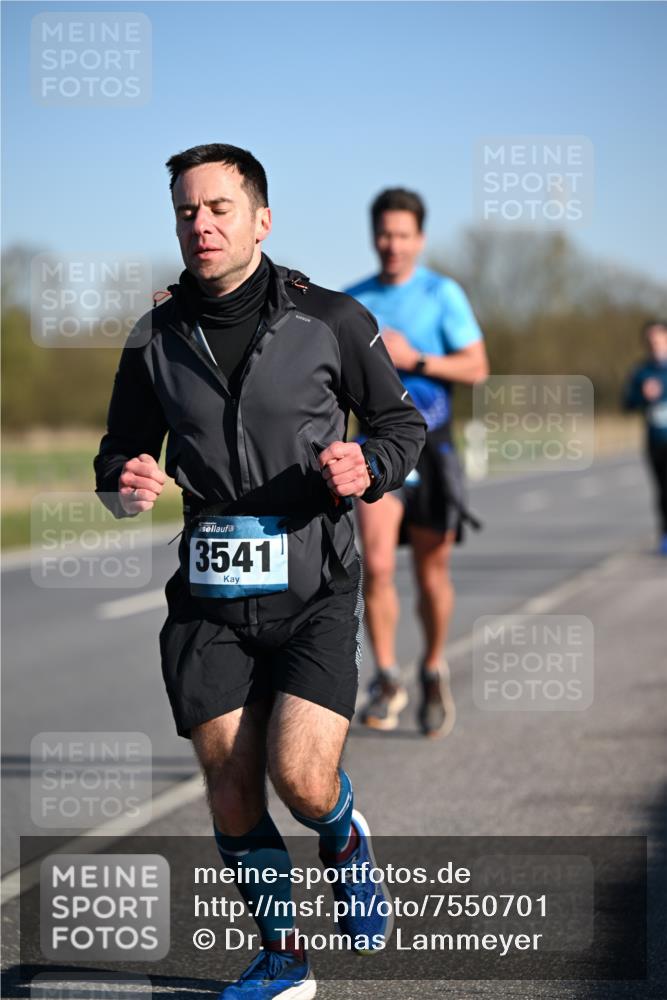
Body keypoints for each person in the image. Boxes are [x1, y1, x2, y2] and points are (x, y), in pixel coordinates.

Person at [94, 144, 425, 999]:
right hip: (209, 595)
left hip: (314, 582)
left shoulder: (333, 319)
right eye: (186, 212)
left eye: (218, 208)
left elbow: (400, 424)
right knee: (232, 792)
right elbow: (119, 454)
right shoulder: (154, 336)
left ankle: (344, 837)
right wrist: (124, 482)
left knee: (301, 779)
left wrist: (370, 466)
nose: (200, 225)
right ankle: (284, 959)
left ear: (260, 219)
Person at [345, 189, 488, 737]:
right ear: (373, 235)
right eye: (384, 233)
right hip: (377, 446)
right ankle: (385, 676)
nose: (392, 244)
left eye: (403, 235)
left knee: (432, 572)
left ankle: (431, 667)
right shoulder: (353, 301)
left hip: (435, 446)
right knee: (376, 566)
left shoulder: (441, 293)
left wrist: (416, 359)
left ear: (419, 239)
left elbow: (478, 368)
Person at [623, 320, 667, 556]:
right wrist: (643, 395)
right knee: (661, 489)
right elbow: (627, 404)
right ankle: (664, 535)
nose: (654, 344)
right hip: (656, 439)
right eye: (650, 341)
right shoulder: (641, 372)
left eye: (658, 339)